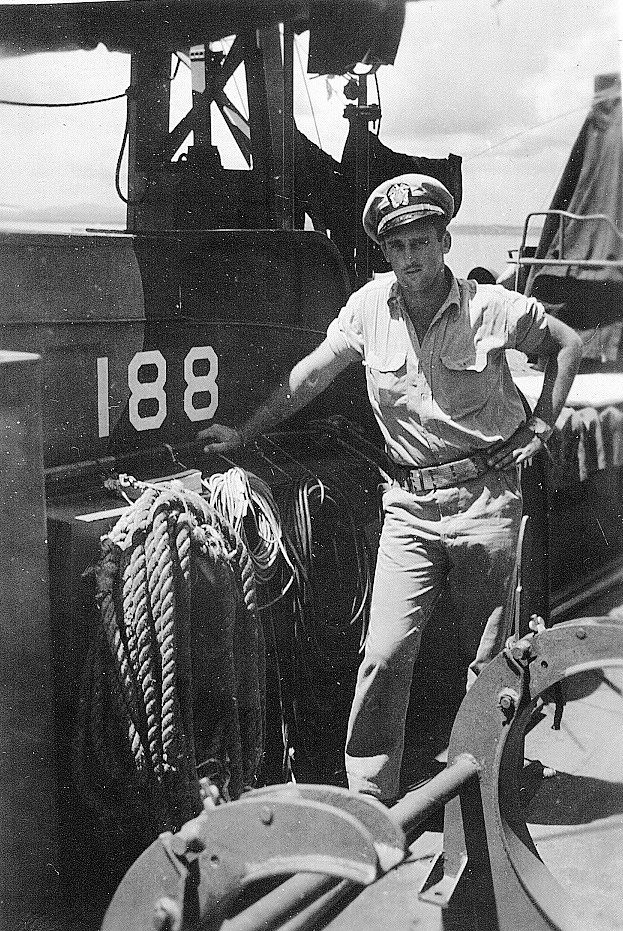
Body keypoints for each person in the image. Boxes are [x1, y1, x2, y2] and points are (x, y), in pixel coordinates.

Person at [199, 174, 583, 803]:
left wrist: (541, 424)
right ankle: (372, 801)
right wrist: (244, 433)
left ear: (445, 242)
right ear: (384, 252)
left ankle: (484, 788)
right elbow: (310, 376)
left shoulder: (492, 308)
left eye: (422, 242)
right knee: (384, 653)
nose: (411, 257)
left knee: (488, 659)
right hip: (409, 506)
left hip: (486, 501)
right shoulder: (368, 308)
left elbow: (567, 343)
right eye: (398, 246)